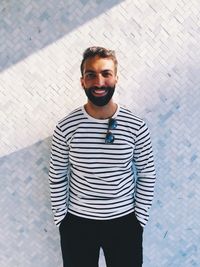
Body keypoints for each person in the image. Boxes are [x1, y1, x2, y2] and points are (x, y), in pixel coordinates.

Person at [49, 46, 156, 267]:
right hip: (77, 224)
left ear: (116, 78)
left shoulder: (136, 126)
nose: (99, 82)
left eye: (106, 74)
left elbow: (147, 174)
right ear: (82, 81)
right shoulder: (66, 127)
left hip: (124, 223)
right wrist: (62, 220)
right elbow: (57, 176)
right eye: (91, 75)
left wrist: (139, 220)